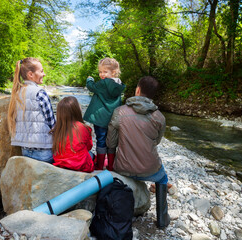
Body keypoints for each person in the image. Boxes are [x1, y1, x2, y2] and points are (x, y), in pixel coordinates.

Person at [106, 76, 170, 229]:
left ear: (138, 90)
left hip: (123, 168)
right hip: (150, 169)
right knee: (162, 179)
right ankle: (162, 219)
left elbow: (111, 143)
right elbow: (156, 141)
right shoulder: (159, 117)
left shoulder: (119, 112)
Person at [8, 57, 55, 163]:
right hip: (44, 153)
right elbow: (52, 124)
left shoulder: (17, 92)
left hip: (25, 152)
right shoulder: (40, 92)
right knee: (88, 155)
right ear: (31, 74)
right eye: (41, 71)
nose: (44, 74)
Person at [83, 57, 125, 171]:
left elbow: (92, 87)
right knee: (111, 141)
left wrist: (89, 80)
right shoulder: (119, 85)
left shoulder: (103, 83)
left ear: (114, 72)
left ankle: (100, 165)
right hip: (113, 119)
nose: (102, 74)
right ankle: (111, 166)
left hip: (101, 119)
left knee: (101, 140)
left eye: (105, 72)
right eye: (100, 72)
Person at [51, 96, 95, 172]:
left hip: (61, 163)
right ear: (76, 110)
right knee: (91, 155)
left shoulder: (57, 128)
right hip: (79, 165)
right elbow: (89, 146)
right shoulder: (84, 128)